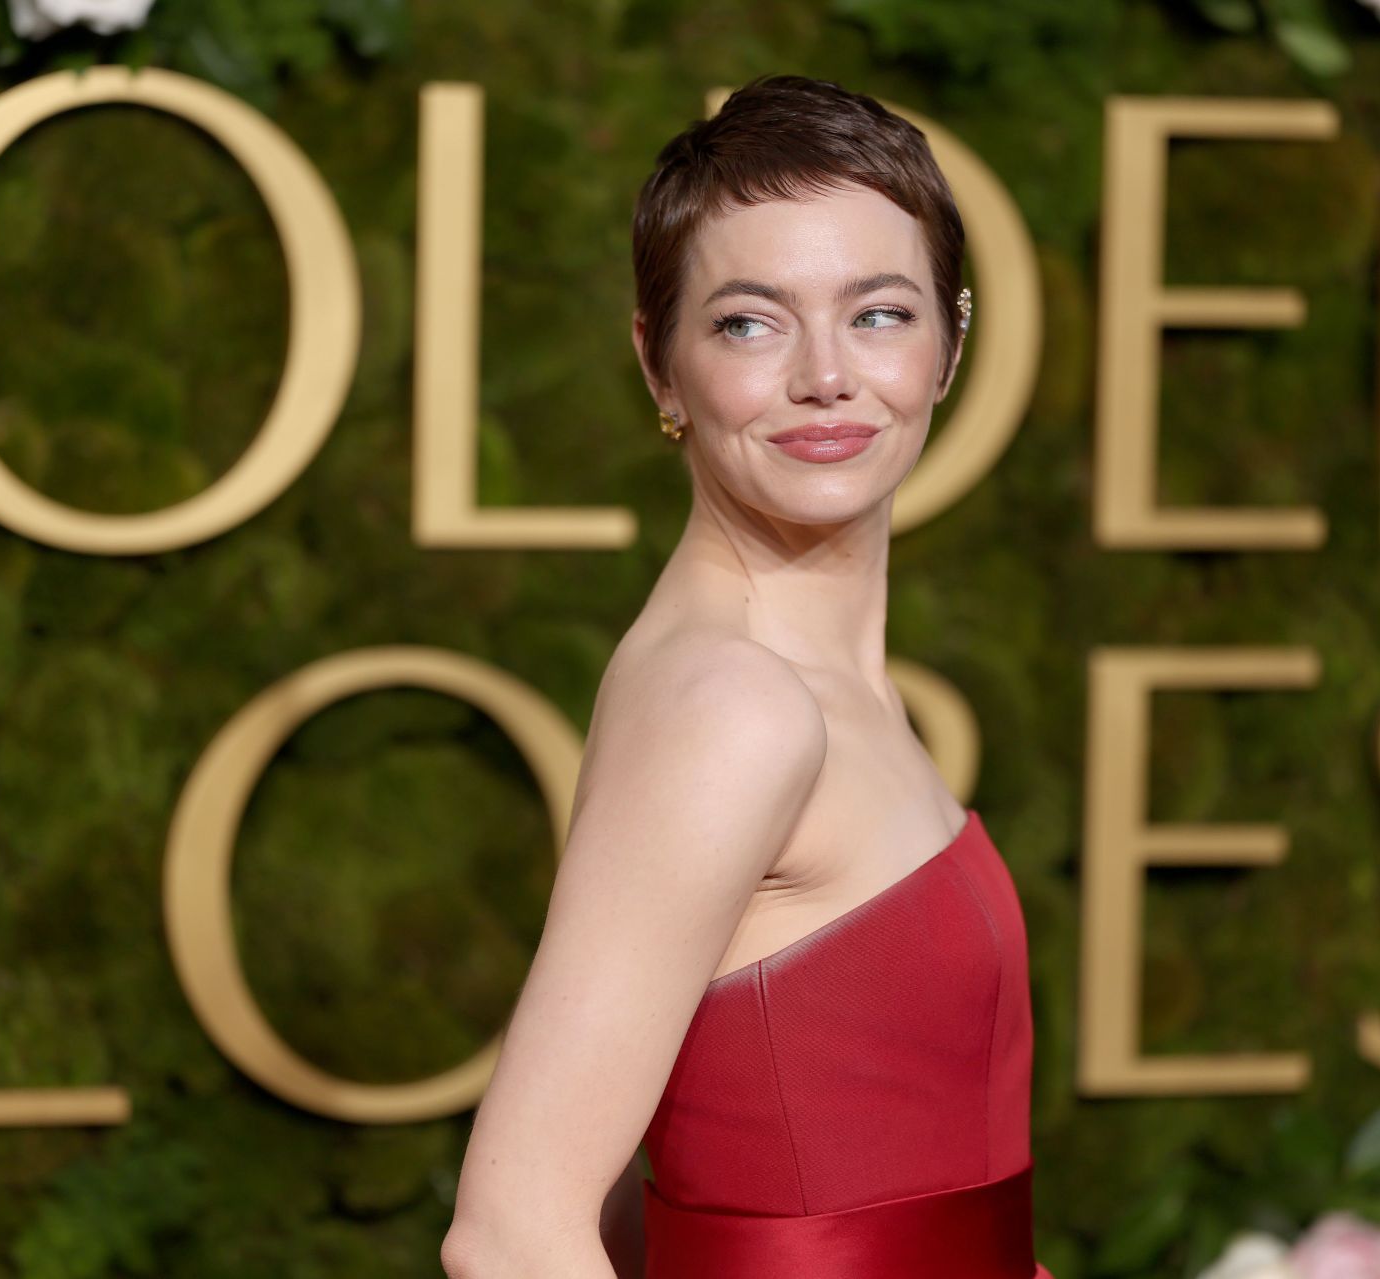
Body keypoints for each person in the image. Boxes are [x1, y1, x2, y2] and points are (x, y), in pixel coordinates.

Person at [441, 74, 1046, 1279]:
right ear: (659, 366)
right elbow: (509, 1235)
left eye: (878, 312)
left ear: (951, 340)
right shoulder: (737, 705)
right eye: (748, 322)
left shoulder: (804, 680)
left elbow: (647, 1189)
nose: (827, 376)